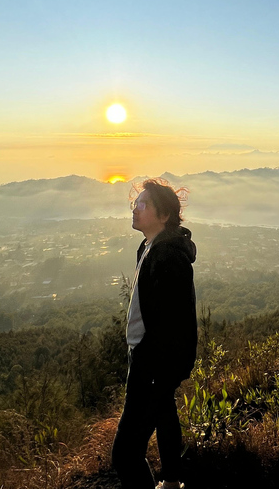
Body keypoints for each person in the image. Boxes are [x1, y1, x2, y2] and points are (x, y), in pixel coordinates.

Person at [112, 179, 197, 489]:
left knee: (125, 455)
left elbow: (171, 326)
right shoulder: (151, 248)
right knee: (165, 413)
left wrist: (152, 369)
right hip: (153, 363)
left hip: (152, 366)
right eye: (135, 202)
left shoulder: (168, 258)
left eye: (143, 204)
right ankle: (172, 481)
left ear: (164, 216)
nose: (135, 208)